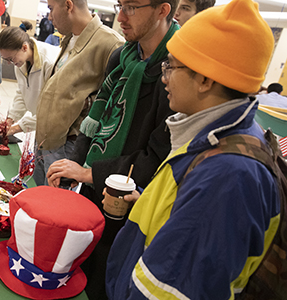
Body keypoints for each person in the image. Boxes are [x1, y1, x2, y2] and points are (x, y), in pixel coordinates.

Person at [106, 0, 280, 298]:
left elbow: (172, 290)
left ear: (204, 79)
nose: (164, 78)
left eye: (171, 66)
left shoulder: (228, 176)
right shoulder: (213, 137)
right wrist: (148, 202)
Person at [46, 0, 178, 297]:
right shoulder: (121, 56)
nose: (120, 17)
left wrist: (91, 173)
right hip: (92, 192)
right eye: (120, 5)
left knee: (103, 283)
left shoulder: (176, 70)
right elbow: (95, 120)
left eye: (132, 8)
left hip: (130, 205)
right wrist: (73, 171)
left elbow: (159, 155)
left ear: (162, 10)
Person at [32, 0, 124, 187]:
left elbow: (116, 101)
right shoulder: (70, 38)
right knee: (39, 197)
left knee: (56, 206)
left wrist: (85, 105)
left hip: (68, 142)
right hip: (46, 139)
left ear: (68, 5)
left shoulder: (110, 43)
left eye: (51, 9)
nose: (49, 17)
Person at [0, 26, 60, 136]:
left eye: (10, 59)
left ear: (24, 47)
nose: (9, 63)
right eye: (5, 59)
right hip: (41, 122)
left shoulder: (50, 63)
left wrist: (17, 128)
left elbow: (54, 109)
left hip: (59, 127)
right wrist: (10, 119)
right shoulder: (21, 61)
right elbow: (23, 92)